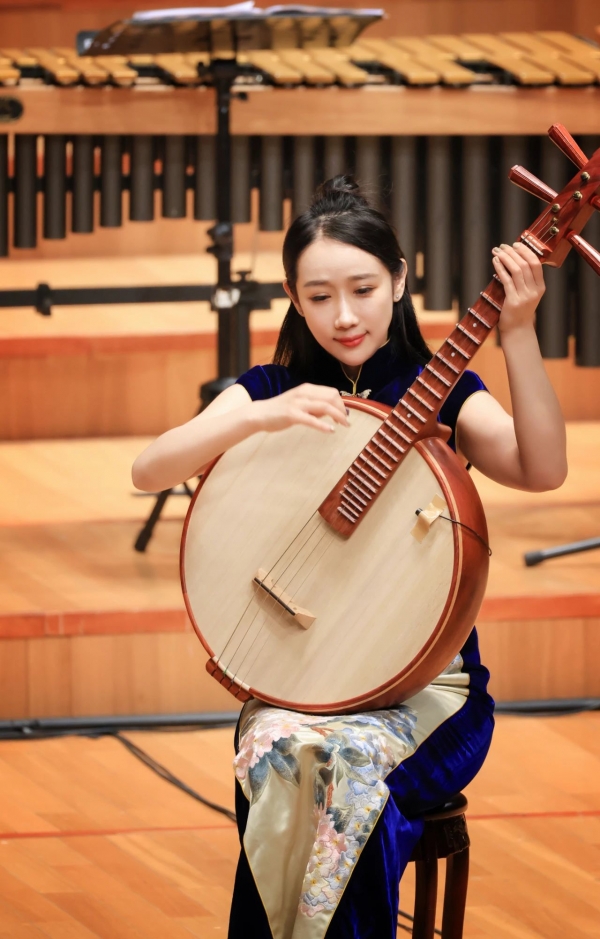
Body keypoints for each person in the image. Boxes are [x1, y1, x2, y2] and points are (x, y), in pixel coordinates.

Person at [132, 177, 567, 939]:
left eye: (363, 289)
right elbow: (149, 469)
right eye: (320, 295)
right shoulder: (273, 390)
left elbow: (543, 467)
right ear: (293, 300)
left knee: (348, 775)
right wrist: (259, 416)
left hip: (428, 692)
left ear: (398, 280)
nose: (344, 314)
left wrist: (520, 330)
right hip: (299, 685)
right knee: (279, 747)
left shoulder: (443, 391)